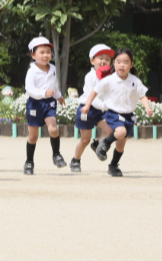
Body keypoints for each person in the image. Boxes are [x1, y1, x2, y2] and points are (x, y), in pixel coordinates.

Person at [81, 48, 153, 177]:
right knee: (121, 132)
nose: (122, 65)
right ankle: (105, 143)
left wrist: (147, 107)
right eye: (119, 62)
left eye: (126, 62)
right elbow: (94, 91)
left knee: (121, 146)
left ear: (131, 65)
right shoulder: (109, 80)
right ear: (114, 64)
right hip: (113, 113)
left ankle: (113, 166)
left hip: (128, 116)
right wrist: (87, 105)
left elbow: (142, 96)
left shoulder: (135, 81)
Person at [23, 37, 67, 175]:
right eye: (42, 52)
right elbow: (30, 90)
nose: (46, 55)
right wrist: (44, 93)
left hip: (49, 103)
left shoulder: (53, 68)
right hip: (35, 104)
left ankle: (56, 155)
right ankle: (29, 162)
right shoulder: (32, 71)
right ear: (33, 55)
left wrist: (58, 95)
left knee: (53, 129)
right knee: (33, 137)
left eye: (48, 52)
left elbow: (54, 84)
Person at [70, 44, 115, 173]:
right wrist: (107, 107)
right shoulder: (90, 76)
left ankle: (97, 144)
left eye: (107, 59)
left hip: (101, 111)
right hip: (87, 110)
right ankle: (75, 160)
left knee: (111, 130)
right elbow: (92, 98)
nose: (104, 61)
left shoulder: (111, 76)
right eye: (100, 58)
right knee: (85, 140)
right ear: (92, 61)